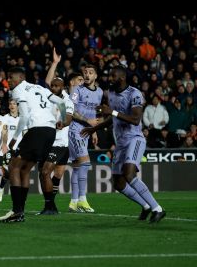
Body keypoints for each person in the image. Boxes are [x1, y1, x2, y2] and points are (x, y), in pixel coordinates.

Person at [82, 66, 165, 223]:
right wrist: (94, 128)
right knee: (119, 184)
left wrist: (111, 112)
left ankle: (157, 208)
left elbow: (135, 119)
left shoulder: (134, 94)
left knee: (129, 173)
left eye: (113, 76)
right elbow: (112, 117)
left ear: (121, 78)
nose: (109, 78)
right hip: (120, 143)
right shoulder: (112, 93)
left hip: (134, 139)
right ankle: (146, 206)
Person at [0, 67, 66, 223]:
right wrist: (61, 120)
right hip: (50, 132)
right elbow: (60, 102)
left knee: (14, 166)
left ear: (21, 77)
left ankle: (16, 211)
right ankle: (19, 212)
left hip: (37, 130)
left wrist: (15, 138)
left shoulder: (18, 90)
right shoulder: (39, 87)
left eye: (11, 77)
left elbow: (25, 117)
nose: (8, 80)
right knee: (25, 169)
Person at [37, 48, 74, 215]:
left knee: (48, 172)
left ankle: (49, 206)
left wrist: (62, 123)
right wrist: (55, 63)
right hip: (47, 141)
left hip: (60, 142)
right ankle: (50, 206)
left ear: (63, 87)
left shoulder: (66, 100)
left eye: (56, 86)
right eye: (52, 85)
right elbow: (47, 81)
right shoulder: (50, 96)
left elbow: (69, 118)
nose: (52, 87)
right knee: (51, 174)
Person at [68, 64, 102, 213]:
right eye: (85, 72)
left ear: (96, 76)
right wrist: (88, 122)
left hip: (87, 132)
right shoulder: (77, 90)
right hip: (76, 130)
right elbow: (71, 111)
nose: (87, 75)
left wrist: (94, 131)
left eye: (90, 72)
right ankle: (83, 199)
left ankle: (73, 202)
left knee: (77, 167)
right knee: (85, 163)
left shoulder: (99, 92)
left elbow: (94, 113)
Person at [0, 98, 24, 202]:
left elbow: (25, 133)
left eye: (14, 104)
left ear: (18, 106)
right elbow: (4, 132)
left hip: (20, 149)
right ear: (8, 106)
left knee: (19, 171)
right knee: (7, 171)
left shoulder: (23, 118)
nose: (12, 106)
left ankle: (17, 193)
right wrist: (4, 145)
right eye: (10, 104)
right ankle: (1, 189)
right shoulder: (5, 118)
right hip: (8, 148)